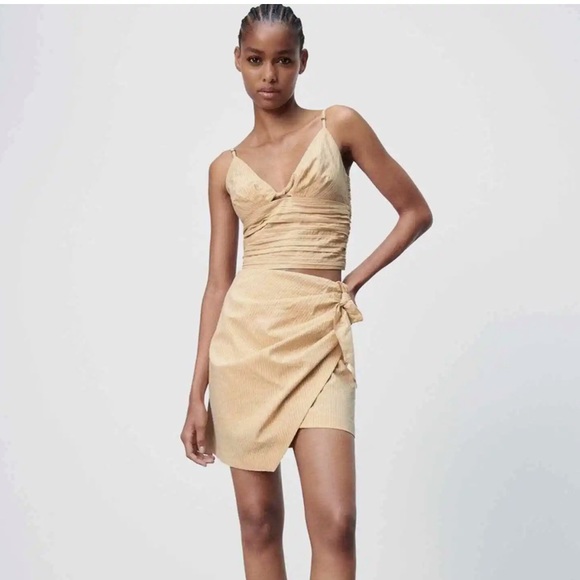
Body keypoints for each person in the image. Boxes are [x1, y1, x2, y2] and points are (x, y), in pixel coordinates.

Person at [180, 4, 433, 579]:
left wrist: (352, 281)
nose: (269, 75)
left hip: (320, 340)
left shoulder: (338, 125)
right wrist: (196, 393)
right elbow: (218, 284)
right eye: (256, 60)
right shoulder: (225, 168)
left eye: (283, 61)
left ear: (303, 62)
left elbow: (415, 213)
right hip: (245, 348)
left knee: (337, 522)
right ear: (237, 61)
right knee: (258, 522)